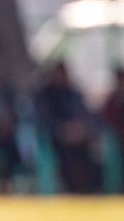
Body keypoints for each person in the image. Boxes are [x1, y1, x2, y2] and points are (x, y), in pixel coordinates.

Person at [33, 62, 101, 193]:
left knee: (91, 156)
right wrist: (63, 131)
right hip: (54, 141)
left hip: (80, 140)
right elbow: (44, 121)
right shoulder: (44, 97)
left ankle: (88, 191)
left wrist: (80, 129)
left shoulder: (74, 94)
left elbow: (88, 117)